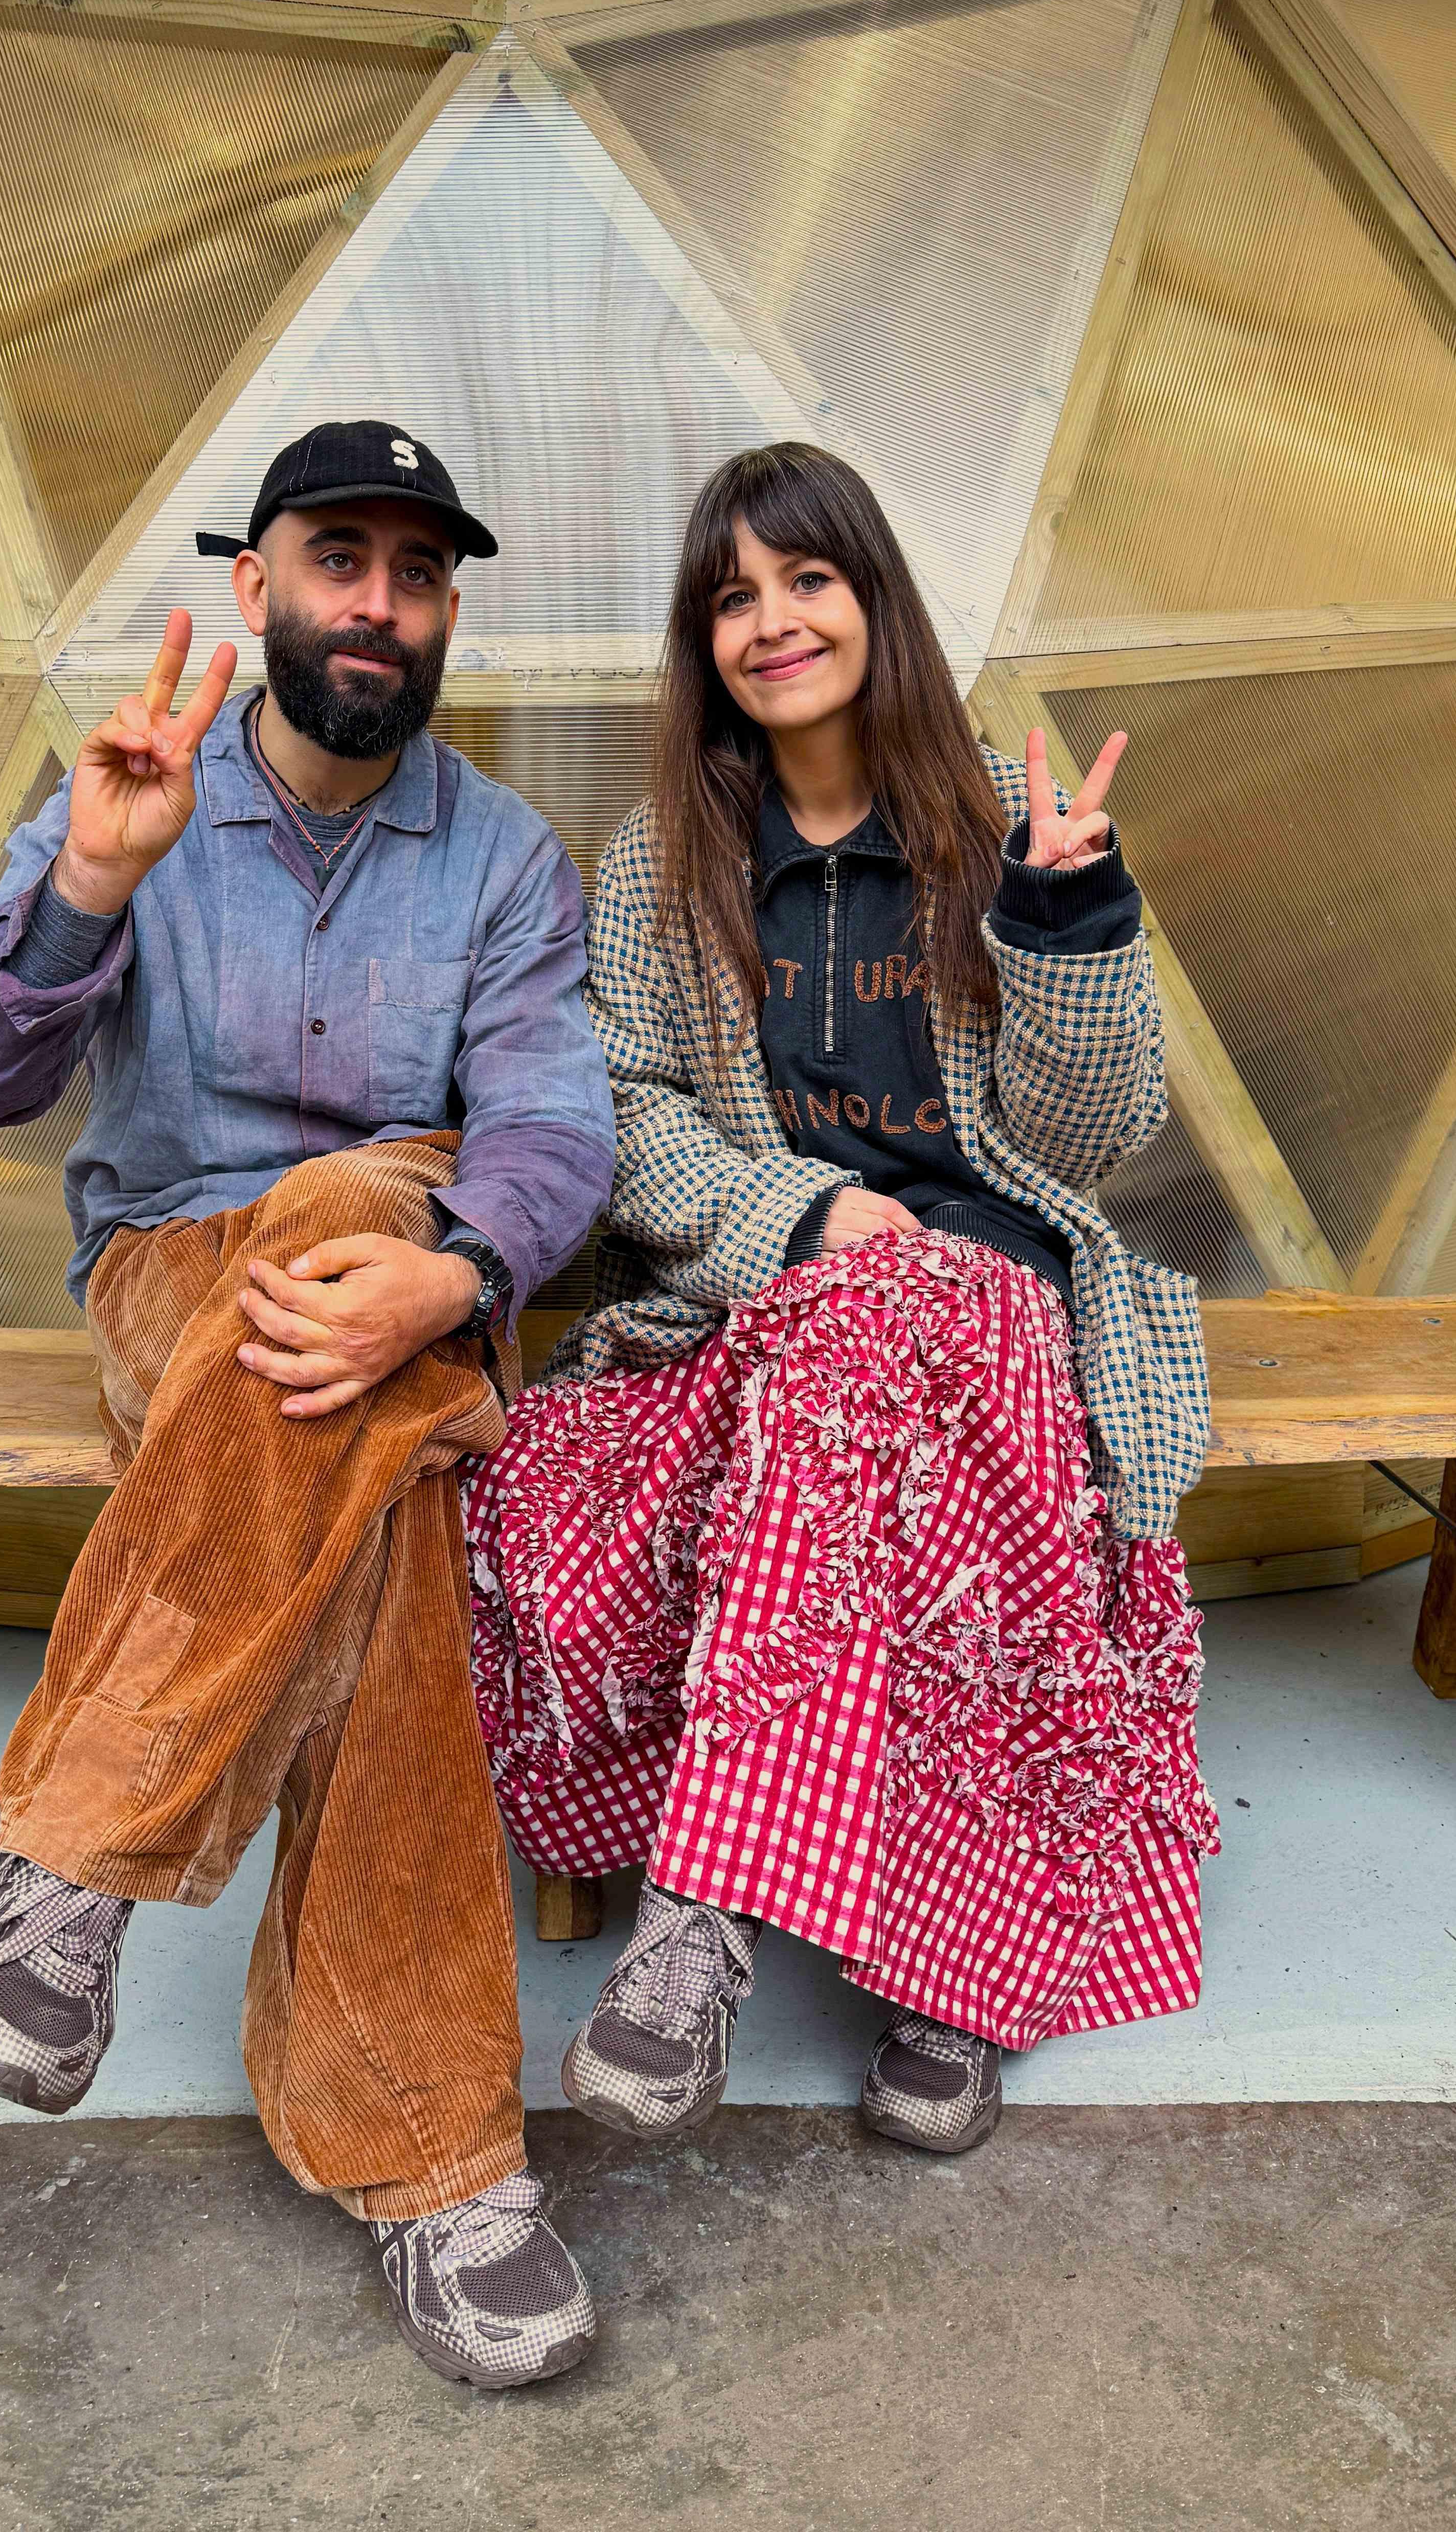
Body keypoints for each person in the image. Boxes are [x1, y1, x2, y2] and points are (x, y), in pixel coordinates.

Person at [0, 421, 617, 2391]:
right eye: (338, 558)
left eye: (415, 571)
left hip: (412, 1281)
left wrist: (456, 1274)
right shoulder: (138, 787)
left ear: (448, 610)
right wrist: (81, 899)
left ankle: (71, 1872)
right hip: (167, 1288)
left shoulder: (505, 859)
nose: (376, 602)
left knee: (353, 1221)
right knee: (360, 1410)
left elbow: (554, 1127)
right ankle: (438, 2168)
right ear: (258, 586)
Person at [462, 442, 1218, 2159]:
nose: (772, 620)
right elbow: (622, 1114)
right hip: (768, 1312)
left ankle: (706, 1919)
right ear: (699, 639)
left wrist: (1071, 916)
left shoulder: (1010, 831)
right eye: (731, 594)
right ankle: (948, 1980)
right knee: (613, 1449)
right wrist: (804, 1217)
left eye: (806, 578)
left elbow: (1086, 1141)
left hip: (1003, 1321)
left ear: (874, 598)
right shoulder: (662, 862)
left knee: (898, 1338)